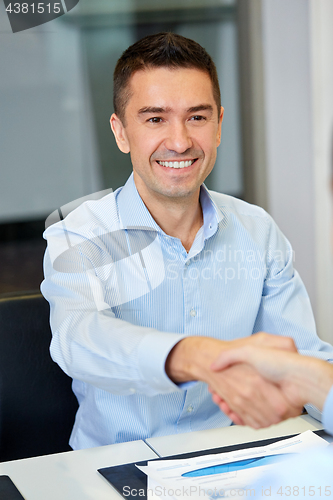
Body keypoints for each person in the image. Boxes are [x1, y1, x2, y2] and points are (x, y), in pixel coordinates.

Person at [41, 32, 333, 450]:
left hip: (237, 464)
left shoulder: (257, 230)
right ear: (121, 132)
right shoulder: (78, 235)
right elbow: (78, 340)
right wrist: (194, 355)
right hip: (114, 471)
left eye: (197, 117)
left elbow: (307, 366)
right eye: (155, 119)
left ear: (218, 126)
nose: (179, 142)